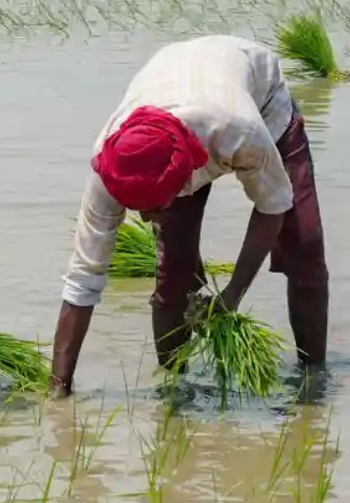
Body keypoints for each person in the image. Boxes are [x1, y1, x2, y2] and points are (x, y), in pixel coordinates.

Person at [50, 35, 327, 396]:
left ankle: (314, 382)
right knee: (174, 270)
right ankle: (176, 387)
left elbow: (272, 205)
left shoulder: (240, 131)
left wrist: (233, 294)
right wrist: (59, 388)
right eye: (139, 209)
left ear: (183, 179)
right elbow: (82, 281)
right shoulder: (112, 165)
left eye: (153, 208)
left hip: (259, 100)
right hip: (175, 79)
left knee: (305, 244)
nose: (147, 220)